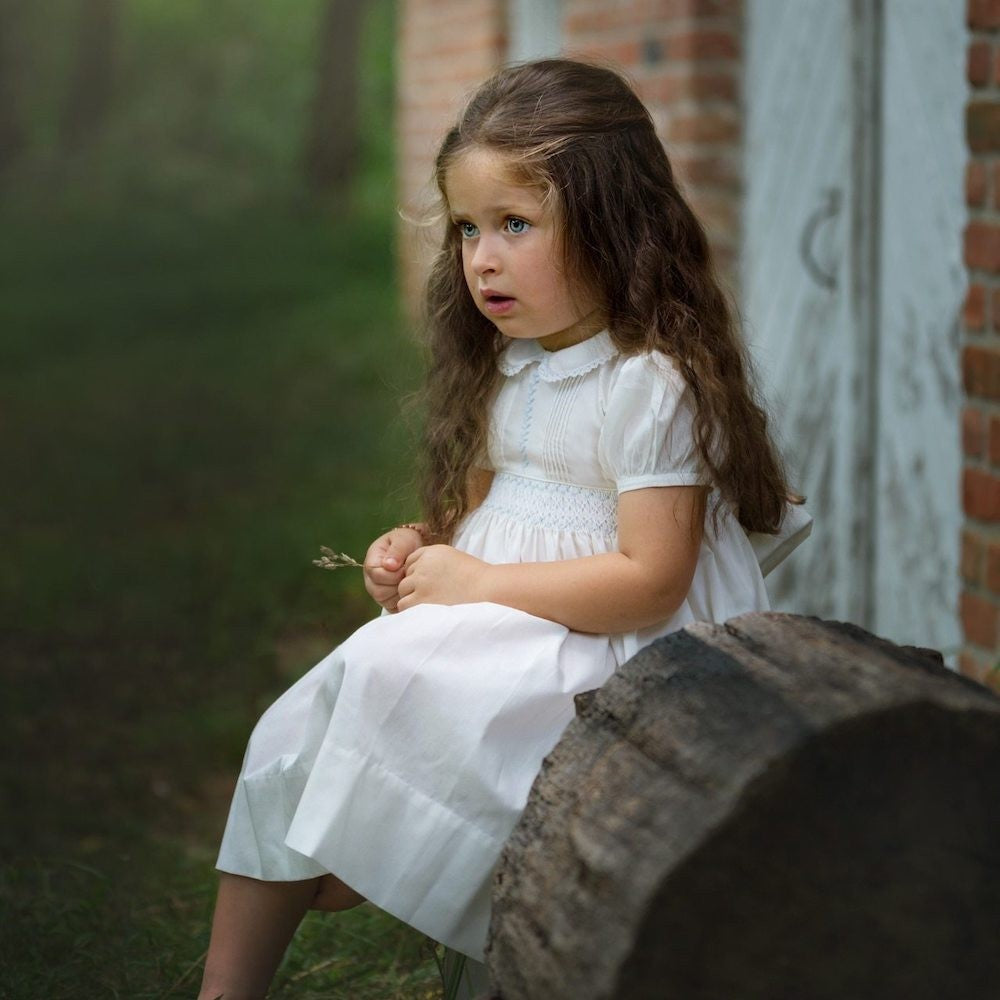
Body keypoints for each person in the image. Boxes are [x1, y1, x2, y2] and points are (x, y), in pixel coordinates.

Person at [198, 57, 810, 999]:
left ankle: (369, 848)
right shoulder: (514, 366)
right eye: (469, 229)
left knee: (384, 678)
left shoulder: (649, 384)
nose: (481, 258)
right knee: (301, 722)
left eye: (516, 225)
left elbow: (650, 579)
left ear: (614, 223)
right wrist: (418, 549)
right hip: (515, 623)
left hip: (619, 653)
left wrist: (474, 585)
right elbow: (484, 513)